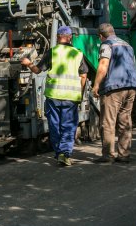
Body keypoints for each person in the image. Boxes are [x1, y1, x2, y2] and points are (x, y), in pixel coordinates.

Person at [21, 26, 88, 166]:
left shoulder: (53, 52)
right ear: (70, 37)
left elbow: (37, 70)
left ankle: (59, 153)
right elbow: (83, 76)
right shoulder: (78, 54)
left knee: (54, 126)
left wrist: (28, 63)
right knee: (68, 126)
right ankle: (65, 153)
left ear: (58, 37)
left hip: (54, 96)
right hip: (71, 97)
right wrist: (80, 93)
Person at [92, 24, 136, 164]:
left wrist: (96, 85)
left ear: (101, 36)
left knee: (108, 122)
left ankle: (108, 155)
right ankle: (124, 154)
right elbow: (134, 65)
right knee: (125, 121)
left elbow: (103, 65)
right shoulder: (128, 45)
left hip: (114, 87)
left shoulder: (106, 44)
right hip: (131, 85)